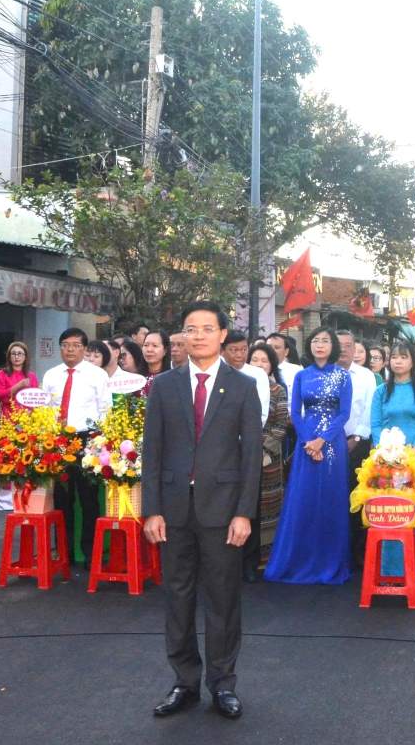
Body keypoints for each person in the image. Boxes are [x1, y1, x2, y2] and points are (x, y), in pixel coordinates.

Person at [142, 301, 262, 720]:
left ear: (223, 335)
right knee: (177, 597)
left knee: (223, 600)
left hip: (224, 511)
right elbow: (151, 452)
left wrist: (244, 513)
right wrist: (151, 510)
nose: (198, 335)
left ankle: (223, 684)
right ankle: (184, 682)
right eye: (190, 328)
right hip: (173, 511)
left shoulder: (243, 387)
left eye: (207, 328)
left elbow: (250, 458)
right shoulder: (164, 386)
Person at [264, 327, 353, 585]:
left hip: (332, 444)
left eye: (325, 340)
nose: (320, 345)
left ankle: (329, 561)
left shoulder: (343, 376)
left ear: (333, 345)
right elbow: (295, 413)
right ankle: (299, 560)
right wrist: (308, 442)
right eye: (315, 340)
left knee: (330, 499)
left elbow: (343, 414)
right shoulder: (303, 376)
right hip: (305, 444)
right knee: (303, 499)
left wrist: (321, 440)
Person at [43, 329, 112, 562]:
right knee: (62, 499)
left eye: (75, 345)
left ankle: (90, 553)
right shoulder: (51, 375)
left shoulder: (97, 375)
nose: (70, 350)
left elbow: (106, 409)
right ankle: (65, 551)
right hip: (59, 441)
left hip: (87, 440)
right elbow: (46, 410)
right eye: (65, 345)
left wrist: (98, 442)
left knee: (88, 499)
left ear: (84, 349)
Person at [371, 339, 415, 580]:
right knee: (389, 512)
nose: (398, 361)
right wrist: (386, 451)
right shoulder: (380, 392)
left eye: (403, 357)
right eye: (394, 357)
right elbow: (376, 424)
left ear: (412, 361)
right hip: (386, 461)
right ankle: (390, 569)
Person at [243, 343, 290, 581]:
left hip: (267, 458)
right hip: (239, 456)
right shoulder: (238, 387)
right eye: (255, 360)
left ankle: (262, 560)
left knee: (266, 508)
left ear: (272, 365)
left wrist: (262, 449)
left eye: (264, 360)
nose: (259, 364)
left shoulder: (278, 390)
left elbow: (281, 425)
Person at [337, 329, 377, 568]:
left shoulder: (366, 376)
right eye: (338, 344)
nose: (343, 349)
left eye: (348, 344)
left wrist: (357, 438)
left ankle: (357, 552)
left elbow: (370, 410)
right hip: (328, 445)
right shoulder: (324, 373)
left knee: (356, 498)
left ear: (355, 349)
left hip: (356, 445)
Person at [221, 331, 270, 428]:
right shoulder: (215, 372)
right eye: (234, 350)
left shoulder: (258, 374)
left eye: (244, 350)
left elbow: (261, 413)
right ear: (222, 351)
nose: (239, 355)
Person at [0, 341, 39, 419]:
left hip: (28, 419)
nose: (16, 357)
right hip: (8, 417)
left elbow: (35, 399)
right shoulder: (2, 374)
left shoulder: (31, 376)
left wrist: (31, 411)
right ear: (9, 357)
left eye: (19, 354)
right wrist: (18, 386)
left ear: (25, 357)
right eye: (13, 354)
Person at [266, 332, 302, 408]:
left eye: (277, 347)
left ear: (286, 352)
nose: (272, 351)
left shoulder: (297, 371)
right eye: (269, 347)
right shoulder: (257, 369)